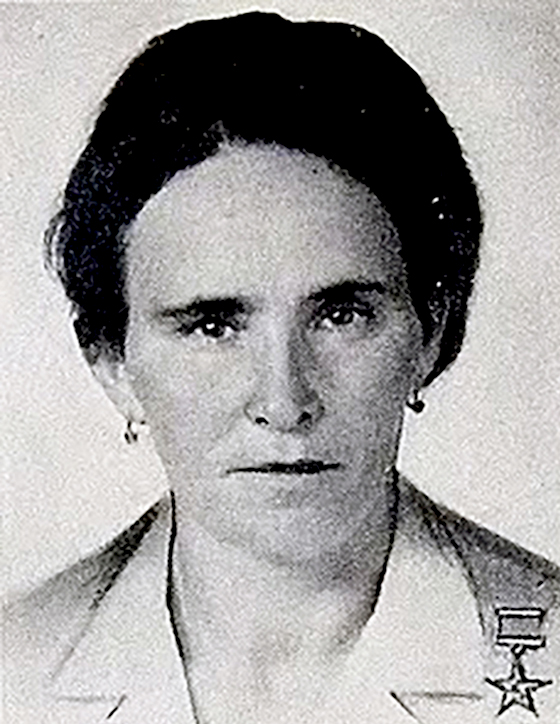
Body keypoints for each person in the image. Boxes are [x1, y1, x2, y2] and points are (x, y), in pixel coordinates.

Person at [4, 11, 559, 724]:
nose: (284, 401)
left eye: (341, 314)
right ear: (111, 362)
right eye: (213, 326)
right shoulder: (14, 669)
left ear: (431, 331)